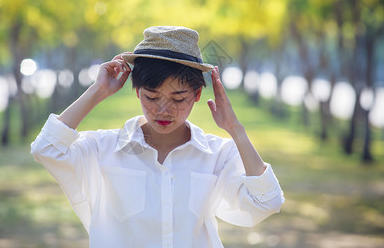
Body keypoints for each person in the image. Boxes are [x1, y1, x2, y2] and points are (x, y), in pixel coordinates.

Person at [31, 26, 284, 248]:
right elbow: (46, 149)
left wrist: (236, 130)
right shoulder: (103, 149)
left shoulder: (217, 155)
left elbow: (266, 201)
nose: (163, 110)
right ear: (137, 91)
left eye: (178, 99)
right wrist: (98, 91)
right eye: (152, 97)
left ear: (197, 95)